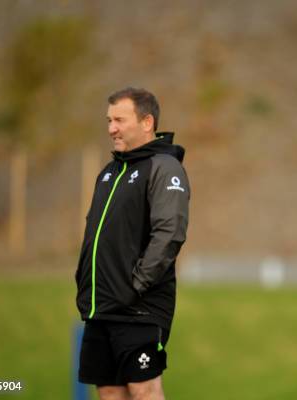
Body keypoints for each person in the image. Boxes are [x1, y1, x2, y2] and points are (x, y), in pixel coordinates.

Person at [75, 87, 190, 400]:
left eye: (119, 120)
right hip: (102, 307)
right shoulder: (109, 173)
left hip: (140, 307)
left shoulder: (164, 168)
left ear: (147, 122)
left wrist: (137, 284)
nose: (111, 128)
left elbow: (170, 233)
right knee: (110, 392)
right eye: (109, 120)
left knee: (144, 391)